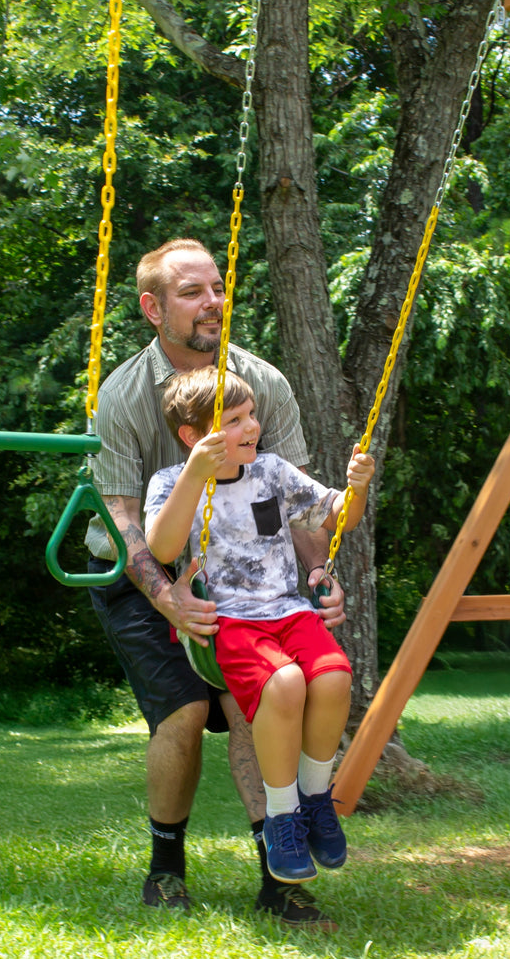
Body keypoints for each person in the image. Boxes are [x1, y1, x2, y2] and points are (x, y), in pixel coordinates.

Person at [84, 238, 345, 929]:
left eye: (218, 289)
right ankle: (166, 869)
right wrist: (167, 595)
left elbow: (293, 504)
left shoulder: (262, 383)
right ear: (153, 307)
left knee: (260, 703)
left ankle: (279, 877)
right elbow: (119, 513)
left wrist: (319, 571)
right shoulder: (125, 394)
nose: (212, 304)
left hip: (248, 578)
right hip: (144, 568)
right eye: (193, 292)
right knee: (185, 712)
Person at [144, 366, 373, 884]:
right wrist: (195, 474)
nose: (252, 427)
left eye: (251, 416)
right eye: (236, 420)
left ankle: (315, 800)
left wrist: (355, 490)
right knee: (286, 683)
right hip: (229, 624)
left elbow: (336, 516)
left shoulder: (271, 471)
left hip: (287, 611)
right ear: (194, 437)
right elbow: (162, 549)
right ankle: (280, 816)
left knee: (334, 676)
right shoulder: (171, 483)